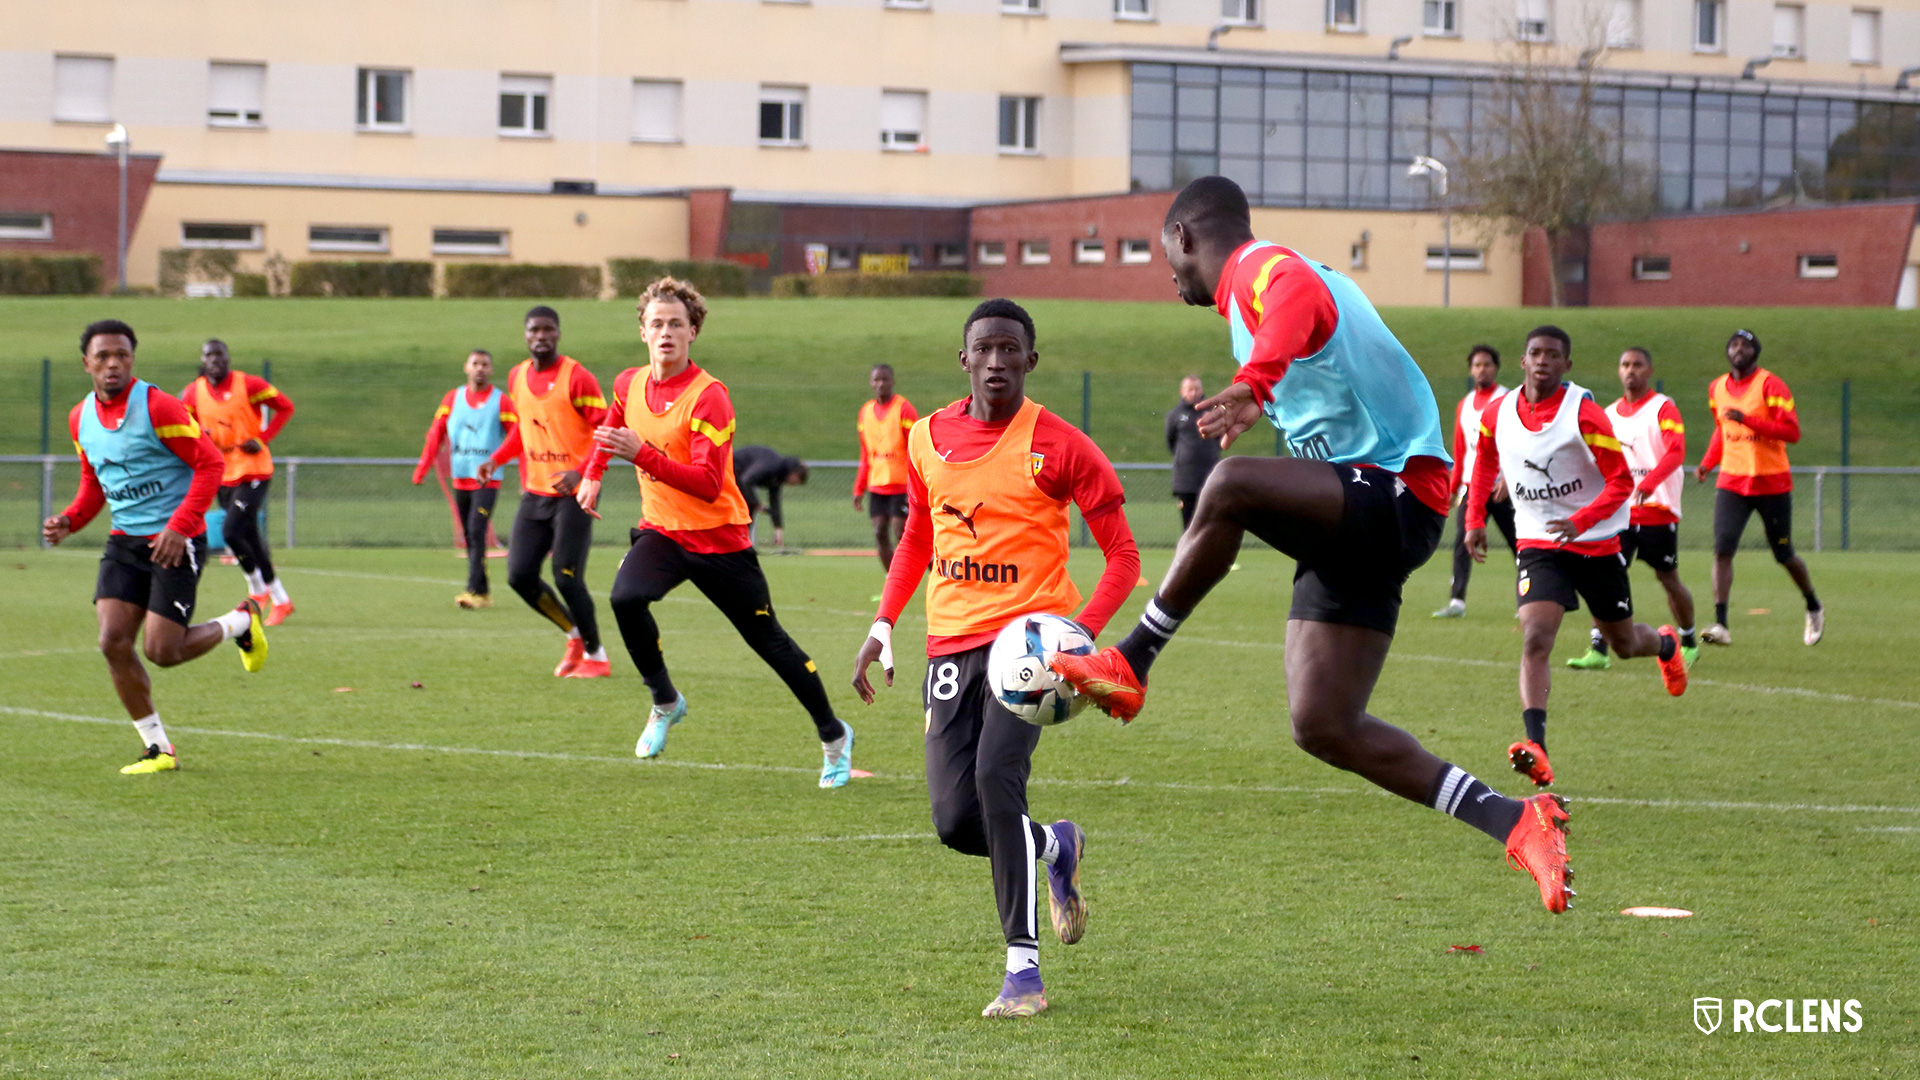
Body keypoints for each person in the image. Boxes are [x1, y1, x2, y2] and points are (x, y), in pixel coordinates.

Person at [1048, 176, 1575, 919]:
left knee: (1227, 486)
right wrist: (1264, 401)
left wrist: (1257, 385)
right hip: (1360, 514)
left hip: (1399, 488)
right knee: (1323, 723)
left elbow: (1298, 291)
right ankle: (1515, 820)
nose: (1172, 281)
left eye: (1168, 257)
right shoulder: (1242, 310)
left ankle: (1131, 661)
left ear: (1189, 238)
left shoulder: (1260, 268)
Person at [851, 299, 1142, 1018]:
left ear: (1030, 361)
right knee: (955, 821)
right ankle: (1054, 846)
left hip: (1030, 650)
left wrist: (1077, 639)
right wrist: (884, 623)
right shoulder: (924, 439)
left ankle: (1023, 974)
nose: (996, 362)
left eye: (1011, 349)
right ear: (964, 360)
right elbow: (918, 537)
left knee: (995, 779)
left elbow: (1124, 555)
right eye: (984, 348)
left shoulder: (1063, 445)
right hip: (950, 645)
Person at [577, 277, 853, 782]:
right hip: (663, 533)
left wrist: (642, 454)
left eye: (676, 324)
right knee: (624, 597)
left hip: (720, 539)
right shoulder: (627, 383)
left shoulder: (710, 398)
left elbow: (706, 484)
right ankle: (665, 701)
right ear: (642, 331)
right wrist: (592, 476)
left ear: (693, 331)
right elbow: (611, 430)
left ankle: (834, 735)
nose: (666, 333)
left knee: (770, 643)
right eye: (656, 323)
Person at [1465, 327, 1690, 790]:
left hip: (1597, 544)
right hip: (1538, 544)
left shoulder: (1584, 415)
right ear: (1522, 362)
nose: (1542, 361)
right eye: (1534, 353)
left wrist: (1581, 521)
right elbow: (1484, 460)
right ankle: (1537, 746)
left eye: (1552, 355)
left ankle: (1665, 644)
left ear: (1567, 365)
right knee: (1535, 637)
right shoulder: (1497, 413)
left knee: (1625, 644)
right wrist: (1474, 518)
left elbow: (1621, 483)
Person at [43, 320, 268, 775]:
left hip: (175, 542)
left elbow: (209, 464)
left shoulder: (159, 406)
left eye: (122, 355)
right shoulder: (79, 418)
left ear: (132, 360)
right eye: (103, 356)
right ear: (86, 363)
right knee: (112, 641)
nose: (113, 364)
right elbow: (95, 483)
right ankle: (157, 749)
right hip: (125, 542)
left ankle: (241, 620)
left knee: (163, 652)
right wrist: (70, 519)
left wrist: (180, 527)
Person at [475, 306, 611, 678]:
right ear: (525, 335)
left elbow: (607, 432)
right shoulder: (517, 376)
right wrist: (496, 459)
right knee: (519, 575)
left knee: (566, 575)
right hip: (535, 493)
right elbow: (524, 428)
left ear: (559, 334)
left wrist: (581, 472)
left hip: (574, 494)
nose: (541, 336)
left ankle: (598, 657)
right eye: (534, 330)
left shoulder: (577, 377)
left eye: (548, 329)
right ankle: (574, 636)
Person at [1567, 347, 1699, 671]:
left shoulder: (1663, 408)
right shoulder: (1609, 414)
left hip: (1657, 511)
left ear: (1649, 370)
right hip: (1620, 513)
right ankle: (1599, 648)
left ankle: (1689, 640)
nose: (1630, 370)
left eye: (1637, 365)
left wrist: (1650, 482)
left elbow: (1676, 451)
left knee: (1668, 578)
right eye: (1625, 364)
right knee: (1604, 577)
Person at [1694, 329, 1823, 646]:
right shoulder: (1717, 388)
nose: (1739, 349)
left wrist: (1749, 419)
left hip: (1771, 482)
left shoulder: (1770, 384)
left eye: (1746, 344)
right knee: (1722, 549)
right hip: (1732, 482)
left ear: (1755, 352)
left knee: (1783, 553)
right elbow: (1722, 430)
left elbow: (1791, 432)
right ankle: (1721, 624)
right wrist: (1708, 463)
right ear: (1728, 352)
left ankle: (1813, 605)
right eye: (1734, 344)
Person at [180, 338, 296, 625]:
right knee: (251, 536)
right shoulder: (194, 393)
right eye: (209, 355)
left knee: (232, 531)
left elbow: (285, 407)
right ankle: (281, 600)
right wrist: (199, 438)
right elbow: (186, 423)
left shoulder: (250, 385)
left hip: (254, 469)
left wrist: (262, 439)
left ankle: (257, 591)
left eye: (220, 354)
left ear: (228, 358)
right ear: (202, 360)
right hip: (222, 470)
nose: (215, 360)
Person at [411, 350, 518, 608]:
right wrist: (422, 467)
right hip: (461, 478)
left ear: (491, 370)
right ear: (466, 368)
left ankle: (475, 591)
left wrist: (505, 464)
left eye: (485, 364)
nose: (479, 369)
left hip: (487, 480)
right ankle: (483, 592)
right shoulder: (452, 399)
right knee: (470, 535)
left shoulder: (501, 401)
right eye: (475, 364)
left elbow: (518, 435)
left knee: (477, 530)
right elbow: (436, 433)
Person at [1432, 345, 1516, 618]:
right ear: (1471, 369)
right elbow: (1461, 451)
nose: (1482, 369)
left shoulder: (1508, 400)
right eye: (1477, 365)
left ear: (1496, 368)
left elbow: (1518, 444)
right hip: (1473, 487)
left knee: (1521, 545)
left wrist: (1511, 477)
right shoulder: (1465, 404)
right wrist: (1452, 487)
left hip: (1503, 487)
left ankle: (1529, 600)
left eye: (1487, 364)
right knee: (1461, 543)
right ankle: (1457, 602)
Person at [853, 364, 917, 568]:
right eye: (877, 380)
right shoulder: (865, 413)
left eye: (885, 379)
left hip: (901, 484)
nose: (881, 384)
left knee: (901, 533)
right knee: (879, 531)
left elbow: (916, 449)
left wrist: (916, 484)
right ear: (871, 383)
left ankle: (929, 570)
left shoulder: (904, 409)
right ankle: (892, 581)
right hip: (877, 485)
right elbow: (866, 453)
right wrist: (859, 487)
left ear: (893, 382)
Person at [1165, 374, 1221, 530]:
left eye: (1197, 389)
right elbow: (1171, 441)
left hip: (1209, 474)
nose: (1194, 393)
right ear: (1183, 391)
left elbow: (1220, 438)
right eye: (1190, 389)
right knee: (1188, 525)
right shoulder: (1175, 415)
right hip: (1185, 479)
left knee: (1209, 522)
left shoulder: (1211, 413)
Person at [733, 444, 808, 549]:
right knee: (745, 507)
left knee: (749, 508)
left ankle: (742, 544)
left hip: (739, 477)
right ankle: (738, 544)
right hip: (731, 468)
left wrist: (778, 528)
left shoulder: (777, 477)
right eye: (797, 480)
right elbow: (746, 480)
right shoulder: (771, 465)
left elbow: (774, 501)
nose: (794, 484)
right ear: (794, 474)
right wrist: (756, 503)